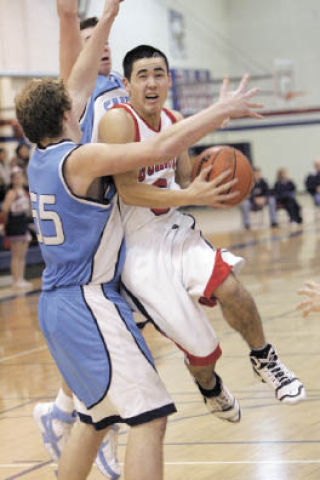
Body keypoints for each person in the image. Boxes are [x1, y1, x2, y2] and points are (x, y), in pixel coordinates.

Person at [16, 2, 264, 479]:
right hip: (86, 302)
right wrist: (220, 111)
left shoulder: (40, 156)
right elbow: (156, 148)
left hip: (61, 302)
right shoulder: (81, 158)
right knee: (149, 417)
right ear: (71, 113)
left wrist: (105, 16)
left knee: (96, 419)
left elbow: (78, 79)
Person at [1, 167, 32, 289]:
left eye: (20, 176)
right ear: (13, 180)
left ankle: (21, 277)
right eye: (16, 177)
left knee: (23, 254)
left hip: (23, 222)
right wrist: (5, 225)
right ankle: (16, 279)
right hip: (14, 224)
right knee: (16, 254)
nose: (19, 179)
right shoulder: (11, 193)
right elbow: (5, 210)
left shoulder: (24, 192)